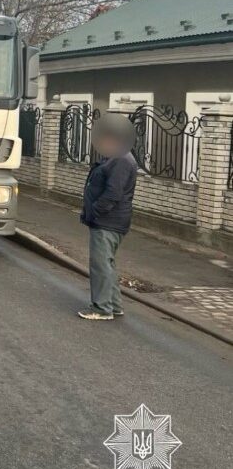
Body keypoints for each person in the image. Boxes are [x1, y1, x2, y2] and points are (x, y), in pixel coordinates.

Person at [78, 115, 138, 321]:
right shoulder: (114, 156)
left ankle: (101, 308)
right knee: (107, 263)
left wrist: (95, 210)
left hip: (108, 221)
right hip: (109, 220)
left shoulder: (121, 159)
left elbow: (113, 193)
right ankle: (113, 304)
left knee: (101, 264)